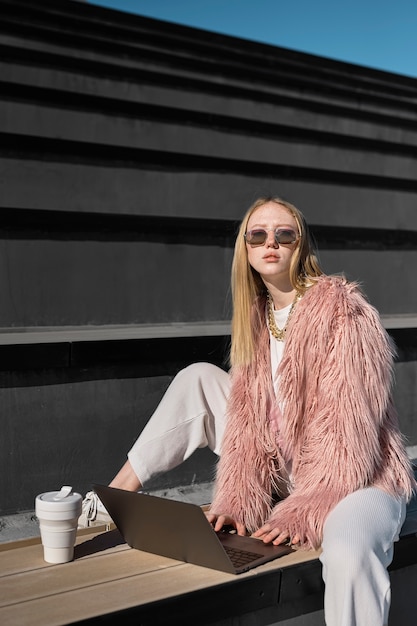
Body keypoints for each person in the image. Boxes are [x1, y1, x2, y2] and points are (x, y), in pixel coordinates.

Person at [81, 196, 415, 626]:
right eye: (257, 235)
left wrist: (302, 508)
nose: (270, 243)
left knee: (348, 549)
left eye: (283, 234)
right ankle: (116, 495)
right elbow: (248, 428)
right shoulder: (258, 319)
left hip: (358, 480)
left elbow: (348, 440)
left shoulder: (343, 314)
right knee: (198, 377)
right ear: (246, 249)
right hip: (289, 467)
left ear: (301, 245)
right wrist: (237, 502)